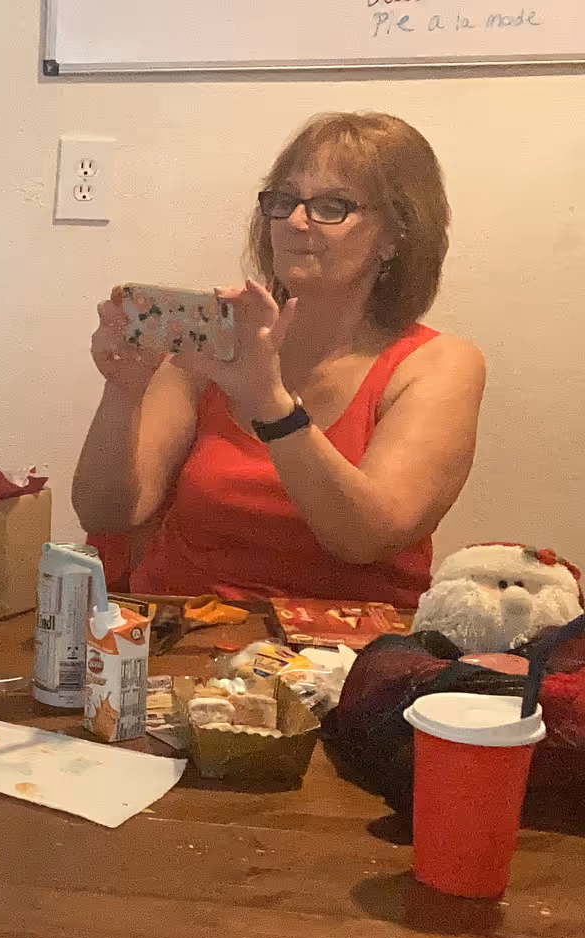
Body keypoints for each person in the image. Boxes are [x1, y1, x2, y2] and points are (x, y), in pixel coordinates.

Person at [73, 112, 485, 605]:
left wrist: (270, 405)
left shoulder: (438, 365)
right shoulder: (218, 340)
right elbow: (107, 514)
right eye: (285, 200)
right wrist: (123, 391)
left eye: (331, 206)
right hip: (184, 628)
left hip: (342, 643)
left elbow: (365, 539)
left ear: (394, 235)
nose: (294, 221)